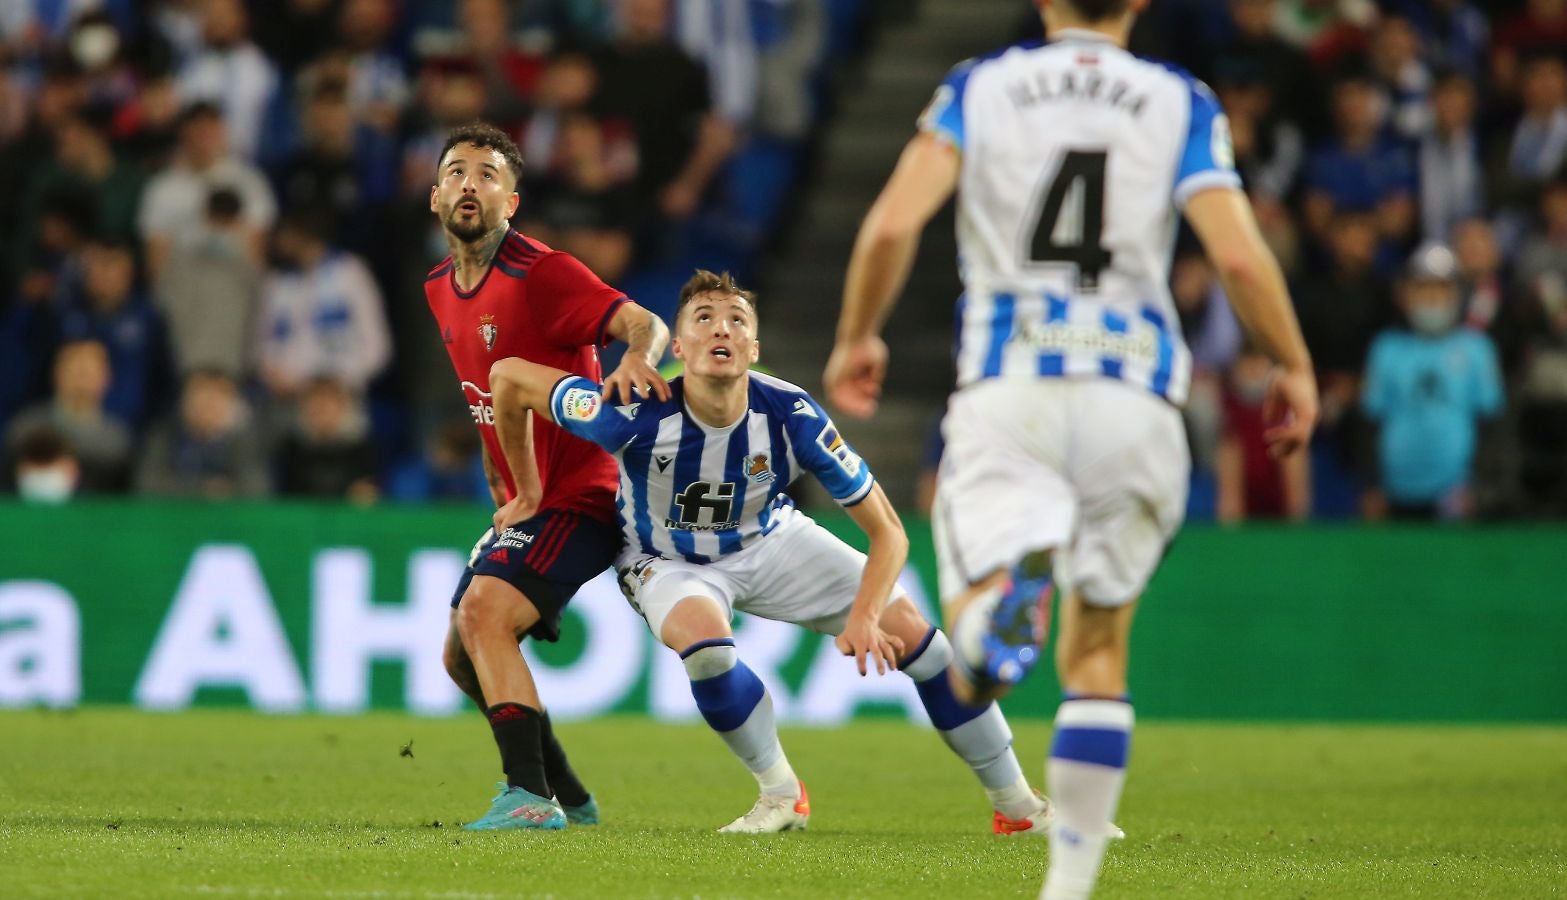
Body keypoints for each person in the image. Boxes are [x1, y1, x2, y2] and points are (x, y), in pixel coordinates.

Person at [822, 1, 1319, 897]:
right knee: (1097, 653)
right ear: (1137, 4)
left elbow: (893, 225)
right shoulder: (1182, 100)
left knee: (975, 631)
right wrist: (1289, 361)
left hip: (1011, 390)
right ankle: (1069, 886)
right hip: (1136, 397)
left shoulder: (980, 88)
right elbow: (1239, 258)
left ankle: (987, 622)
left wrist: (859, 334)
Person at [490, 270, 1062, 837]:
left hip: (771, 540)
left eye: (737, 320)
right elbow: (508, 377)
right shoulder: (633, 410)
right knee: (707, 652)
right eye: (704, 319)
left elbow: (890, 532)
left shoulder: (791, 414)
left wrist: (864, 616)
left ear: (753, 347)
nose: (722, 329)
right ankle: (782, 794)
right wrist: (527, 491)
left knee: (928, 650)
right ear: (681, 346)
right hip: (665, 559)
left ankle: (1018, 807)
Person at [424, 121, 670, 831]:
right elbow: (482, 400)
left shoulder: (541, 272)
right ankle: (567, 794)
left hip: (586, 494)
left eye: (488, 174)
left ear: (512, 202)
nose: (471, 183)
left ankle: (527, 797)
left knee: (481, 617)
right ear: (434, 195)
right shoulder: (439, 286)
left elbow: (644, 323)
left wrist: (635, 358)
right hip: (526, 500)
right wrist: (498, 480)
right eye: (457, 172)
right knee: (461, 658)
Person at [1362, 244, 1502, 520]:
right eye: (1423, 289)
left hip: (1456, 494)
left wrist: (1482, 487)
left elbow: (1492, 424)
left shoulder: (1476, 348)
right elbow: (1369, 422)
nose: (1432, 299)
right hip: (1396, 492)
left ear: (1457, 295)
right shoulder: (1386, 347)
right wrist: (1371, 485)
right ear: (1406, 296)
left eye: (1441, 289)